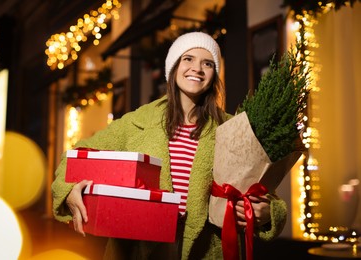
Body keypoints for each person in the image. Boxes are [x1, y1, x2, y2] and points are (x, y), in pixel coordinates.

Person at [51, 31, 287, 259]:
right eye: (188, 59)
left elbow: (265, 191)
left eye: (207, 63)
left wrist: (267, 214)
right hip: (138, 251)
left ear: (214, 74)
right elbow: (74, 158)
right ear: (173, 67)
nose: (197, 68)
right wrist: (69, 190)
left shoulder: (233, 129)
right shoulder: (137, 122)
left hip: (206, 252)